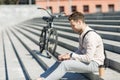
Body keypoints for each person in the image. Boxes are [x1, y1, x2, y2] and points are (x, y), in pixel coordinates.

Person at [37, 11, 105, 80]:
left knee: (65, 65)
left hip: (95, 64)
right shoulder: (82, 34)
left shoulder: (91, 36)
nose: (72, 28)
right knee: (60, 61)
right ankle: (42, 77)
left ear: (79, 22)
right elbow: (80, 51)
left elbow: (88, 58)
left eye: (73, 25)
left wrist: (71, 55)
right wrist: (67, 56)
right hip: (87, 62)